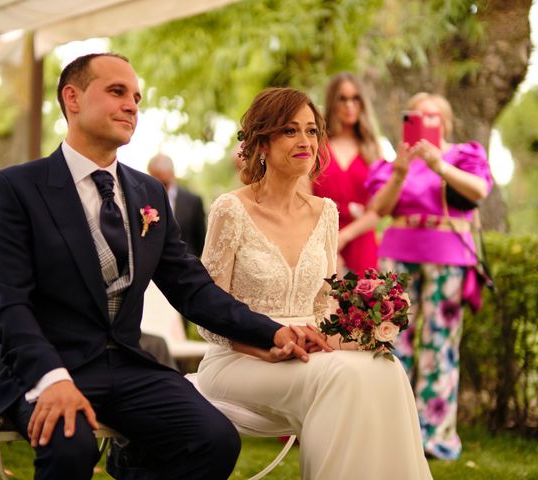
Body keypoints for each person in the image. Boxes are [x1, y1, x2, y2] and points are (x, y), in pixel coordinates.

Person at [0, 52, 325, 480]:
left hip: (128, 366)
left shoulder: (148, 193)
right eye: (117, 92)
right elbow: (10, 306)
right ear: (73, 98)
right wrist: (52, 379)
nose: (132, 105)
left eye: (137, 97)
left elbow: (193, 290)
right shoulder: (16, 188)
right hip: (45, 364)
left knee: (214, 439)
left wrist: (275, 330)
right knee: (70, 442)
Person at [195, 87, 432, 479]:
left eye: (311, 131)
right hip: (239, 359)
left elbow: (323, 306)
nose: (305, 141)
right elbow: (206, 316)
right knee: (341, 376)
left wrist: (351, 331)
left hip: (308, 352)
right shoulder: (230, 209)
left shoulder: (326, 213)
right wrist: (267, 342)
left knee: (385, 368)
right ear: (262, 143)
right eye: (290, 131)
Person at [366, 92, 493, 460]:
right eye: (417, 116)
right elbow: (380, 208)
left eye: (433, 116)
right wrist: (402, 171)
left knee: (441, 343)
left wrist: (439, 165)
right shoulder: (394, 164)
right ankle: (391, 432)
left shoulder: (463, 155)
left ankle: (435, 436)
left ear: (446, 122)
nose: (425, 121)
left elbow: (480, 190)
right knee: (390, 342)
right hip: (398, 251)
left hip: (447, 253)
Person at [312, 72, 380, 275]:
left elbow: (377, 209)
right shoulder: (316, 145)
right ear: (333, 102)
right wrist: (330, 240)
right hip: (319, 237)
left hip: (361, 240)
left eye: (355, 98)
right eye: (342, 99)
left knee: (363, 303)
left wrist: (344, 237)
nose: (350, 105)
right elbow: (304, 197)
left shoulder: (372, 150)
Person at [147, 153, 206, 257]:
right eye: (156, 182)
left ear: (172, 174)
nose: (161, 188)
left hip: (187, 266)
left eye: (164, 183)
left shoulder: (193, 201)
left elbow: (200, 241)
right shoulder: (143, 200)